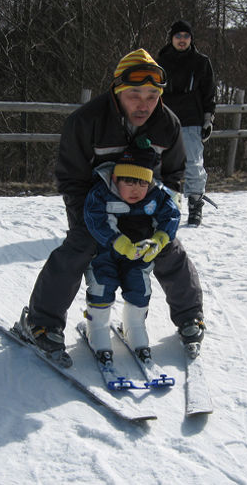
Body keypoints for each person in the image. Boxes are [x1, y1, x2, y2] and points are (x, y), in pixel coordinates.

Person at [17, 48, 205, 368]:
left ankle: (190, 317)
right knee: (80, 248)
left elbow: (173, 177)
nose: (144, 104)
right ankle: (42, 322)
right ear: (117, 91)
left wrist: (163, 222)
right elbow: (71, 179)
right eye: (134, 94)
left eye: (152, 95)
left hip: (143, 208)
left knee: (169, 249)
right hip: (97, 207)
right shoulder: (86, 121)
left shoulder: (167, 124)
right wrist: (88, 223)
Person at [82, 147, 180, 365]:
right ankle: (97, 328)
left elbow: (171, 214)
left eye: (143, 183)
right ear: (116, 179)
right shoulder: (102, 192)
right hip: (105, 253)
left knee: (140, 288)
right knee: (101, 286)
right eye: (130, 182)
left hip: (139, 255)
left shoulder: (157, 195)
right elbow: (94, 218)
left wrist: (161, 239)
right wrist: (117, 242)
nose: (137, 189)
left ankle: (134, 326)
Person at [157, 20, 216, 226]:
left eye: (186, 36)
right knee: (162, 165)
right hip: (165, 121)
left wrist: (208, 120)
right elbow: (153, 93)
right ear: (171, 38)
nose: (182, 40)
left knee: (193, 164)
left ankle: (195, 205)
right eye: (178, 36)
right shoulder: (160, 61)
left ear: (191, 39)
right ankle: (164, 206)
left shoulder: (201, 62)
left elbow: (209, 94)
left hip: (192, 119)